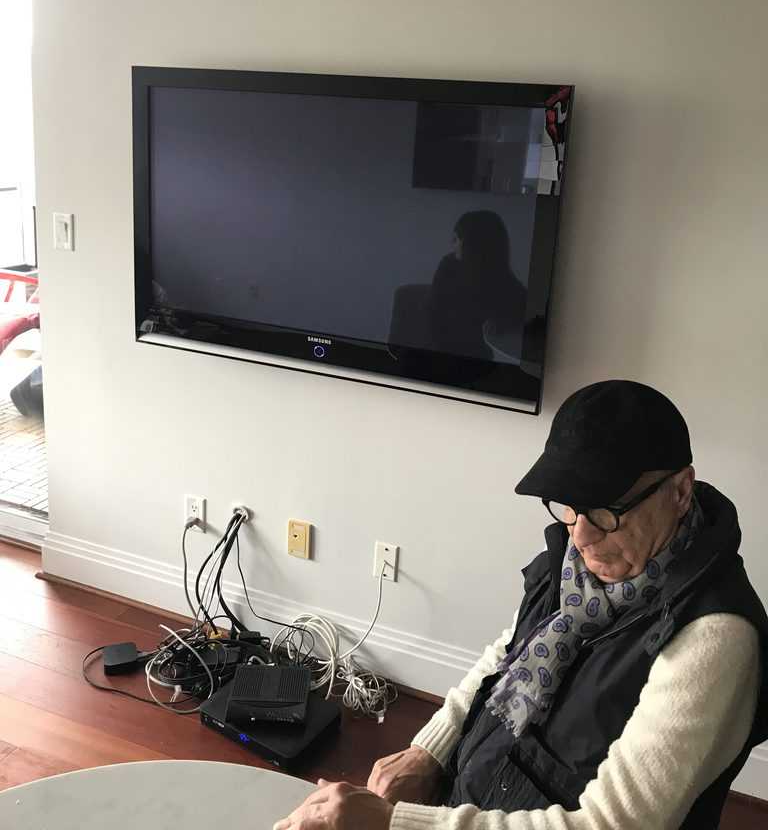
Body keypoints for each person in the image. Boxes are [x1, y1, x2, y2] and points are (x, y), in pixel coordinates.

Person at [273, 381, 768, 830]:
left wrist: (395, 824)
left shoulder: (715, 638)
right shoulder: (570, 567)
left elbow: (615, 824)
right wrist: (430, 750)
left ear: (680, 491)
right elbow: (506, 655)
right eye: (567, 504)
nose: (581, 533)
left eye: (607, 510)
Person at [428, 211, 526, 361]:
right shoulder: (448, 266)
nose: (452, 245)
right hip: (442, 358)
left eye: (456, 239)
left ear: (472, 244)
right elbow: (434, 319)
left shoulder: (509, 289)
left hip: (482, 365)